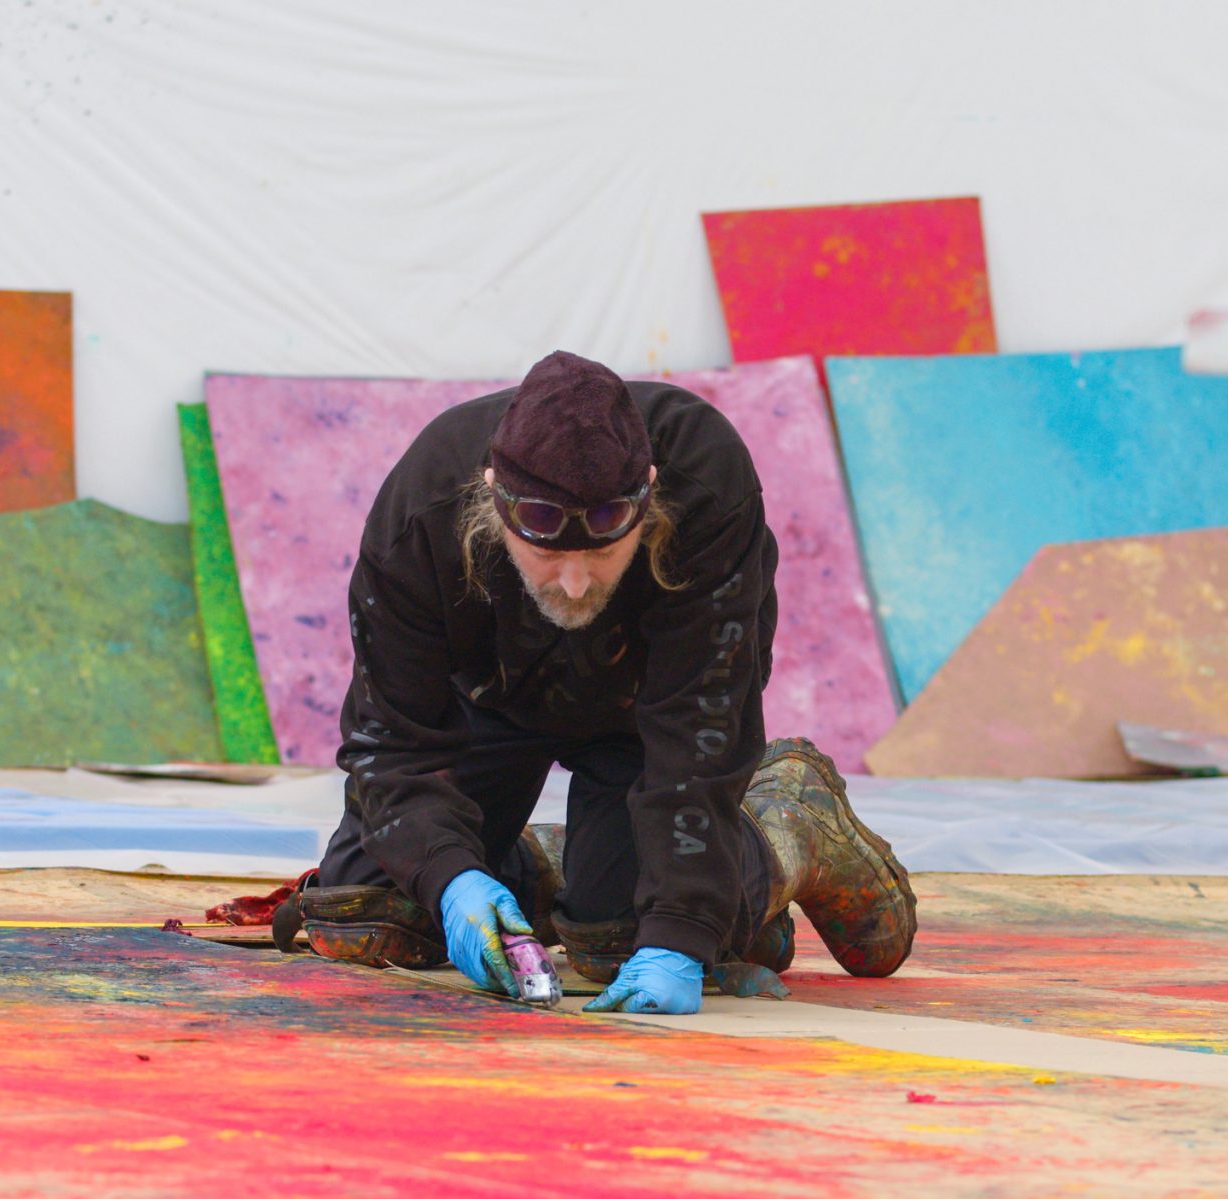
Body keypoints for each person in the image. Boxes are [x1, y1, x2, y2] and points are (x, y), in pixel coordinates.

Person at [275, 350, 915, 1013]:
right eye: (547, 553)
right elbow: (389, 745)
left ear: (652, 495)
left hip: (645, 718)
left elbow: (702, 724)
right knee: (366, 913)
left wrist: (682, 928)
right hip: (489, 705)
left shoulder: (706, 479)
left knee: (624, 936)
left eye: (605, 553)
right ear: (492, 499)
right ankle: (556, 867)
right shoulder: (423, 506)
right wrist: (455, 876)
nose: (577, 586)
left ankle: (790, 823)